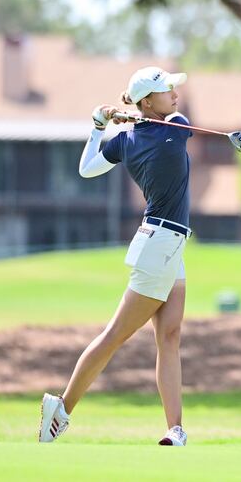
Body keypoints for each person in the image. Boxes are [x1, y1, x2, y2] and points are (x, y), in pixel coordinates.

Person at [39, 67, 193, 446]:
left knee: (169, 337)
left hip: (168, 244)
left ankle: (174, 429)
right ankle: (61, 409)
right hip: (160, 245)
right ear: (146, 101)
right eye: (165, 90)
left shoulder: (126, 139)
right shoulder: (174, 130)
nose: (174, 93)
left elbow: (87, 166)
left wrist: (98, 126)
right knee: (114, 336)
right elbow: (174, 122)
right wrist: (124, 119)